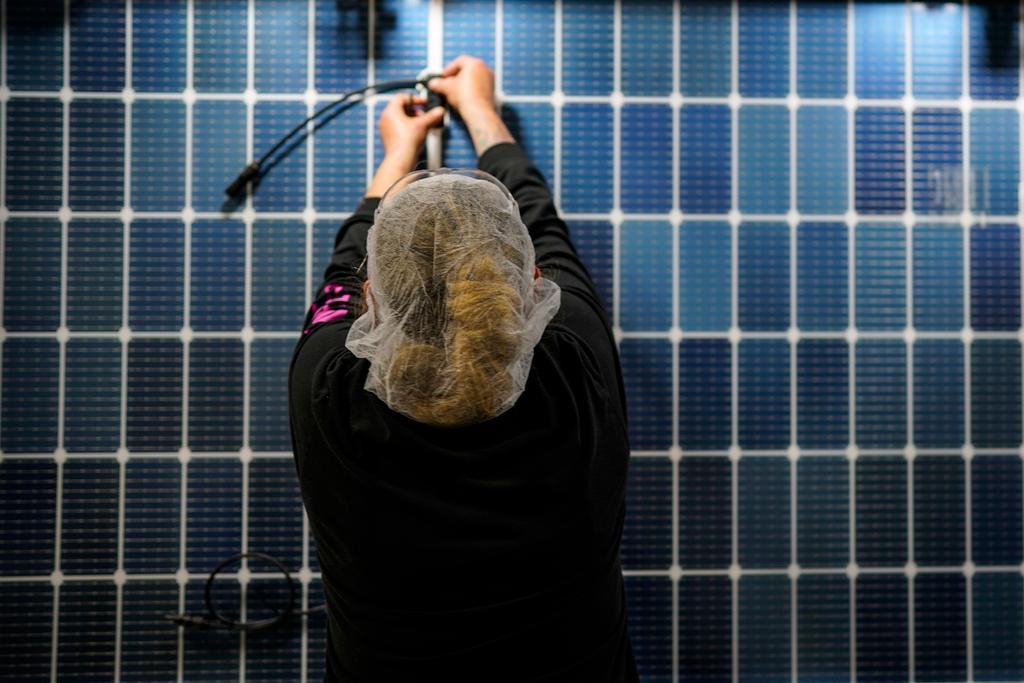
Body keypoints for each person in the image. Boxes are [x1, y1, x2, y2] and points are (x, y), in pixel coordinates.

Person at [288, 55, 638, 682]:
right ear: (534, 284)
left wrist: (399, 152)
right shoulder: (575, 362)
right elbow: (544, 225)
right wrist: (482, 111)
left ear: (372, 297)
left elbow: (343, 268)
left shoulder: (328, 386)